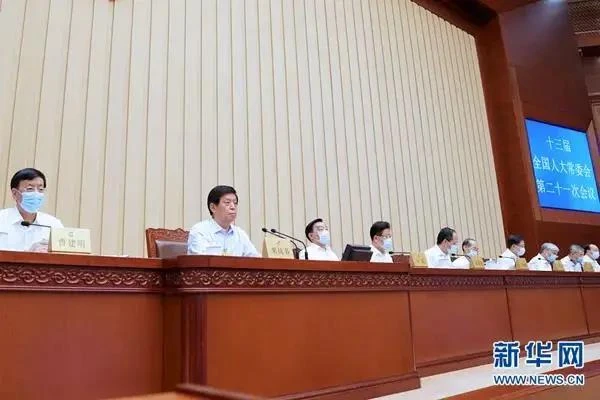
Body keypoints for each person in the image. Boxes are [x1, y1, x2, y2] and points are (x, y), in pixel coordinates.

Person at [0, 168, 63, 252]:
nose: (36, 194)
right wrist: (28, 254)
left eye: (40, 189)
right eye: (30, 189)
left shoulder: (53, 224)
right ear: (15, 193)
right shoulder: (2, 219)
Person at [187, 185, 259, 257]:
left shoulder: (240, 234)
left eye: (235, 203)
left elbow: (256, 259)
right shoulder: (200, 231)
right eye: (227, 202)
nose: (233, 207)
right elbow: (201, 260)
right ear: (213, 207)